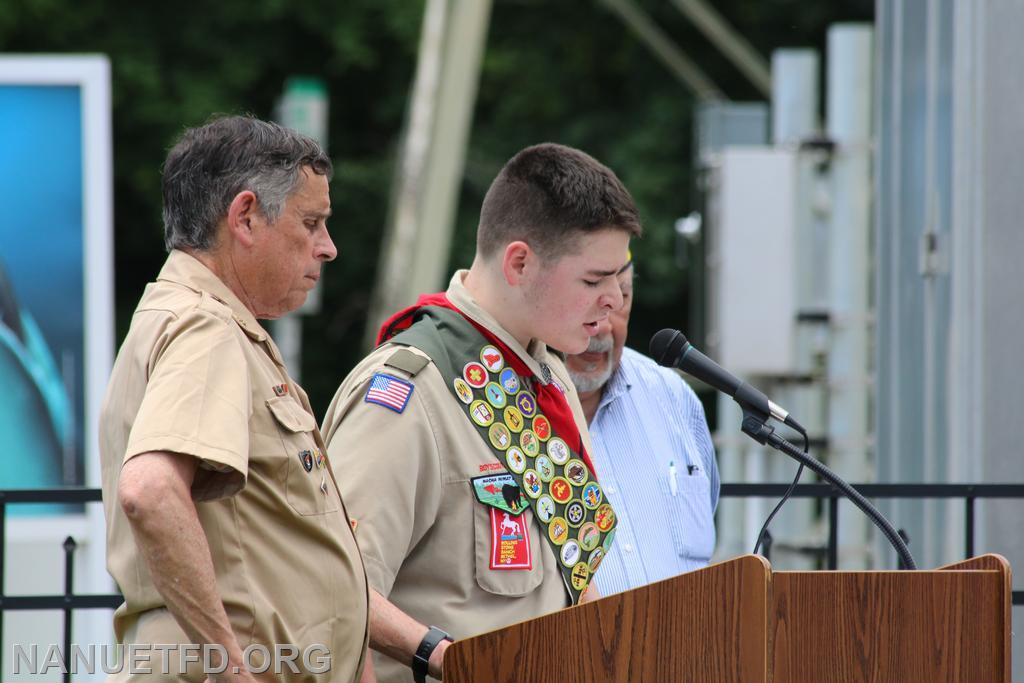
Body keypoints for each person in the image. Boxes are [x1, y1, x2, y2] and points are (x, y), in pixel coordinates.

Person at [321, 143, 642, 683]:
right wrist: (448, 658)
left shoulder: (550, 377)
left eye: (620, 276)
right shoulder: (408, 392)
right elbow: (335, 584)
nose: (614, 298)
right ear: (519, 263)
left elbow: (565, 576)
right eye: (594, 280)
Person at [99, 115, 369, 682]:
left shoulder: (187, 317)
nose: (329, 248)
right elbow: (149, 491)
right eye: (312, 222)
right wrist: (232, 671)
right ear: (245, 217)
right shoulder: (207, 327)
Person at [564, 258, 719, 595]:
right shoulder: (508, 400)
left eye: (620, 299)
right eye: (588, 300)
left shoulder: (673, 397)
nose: (603, 327)